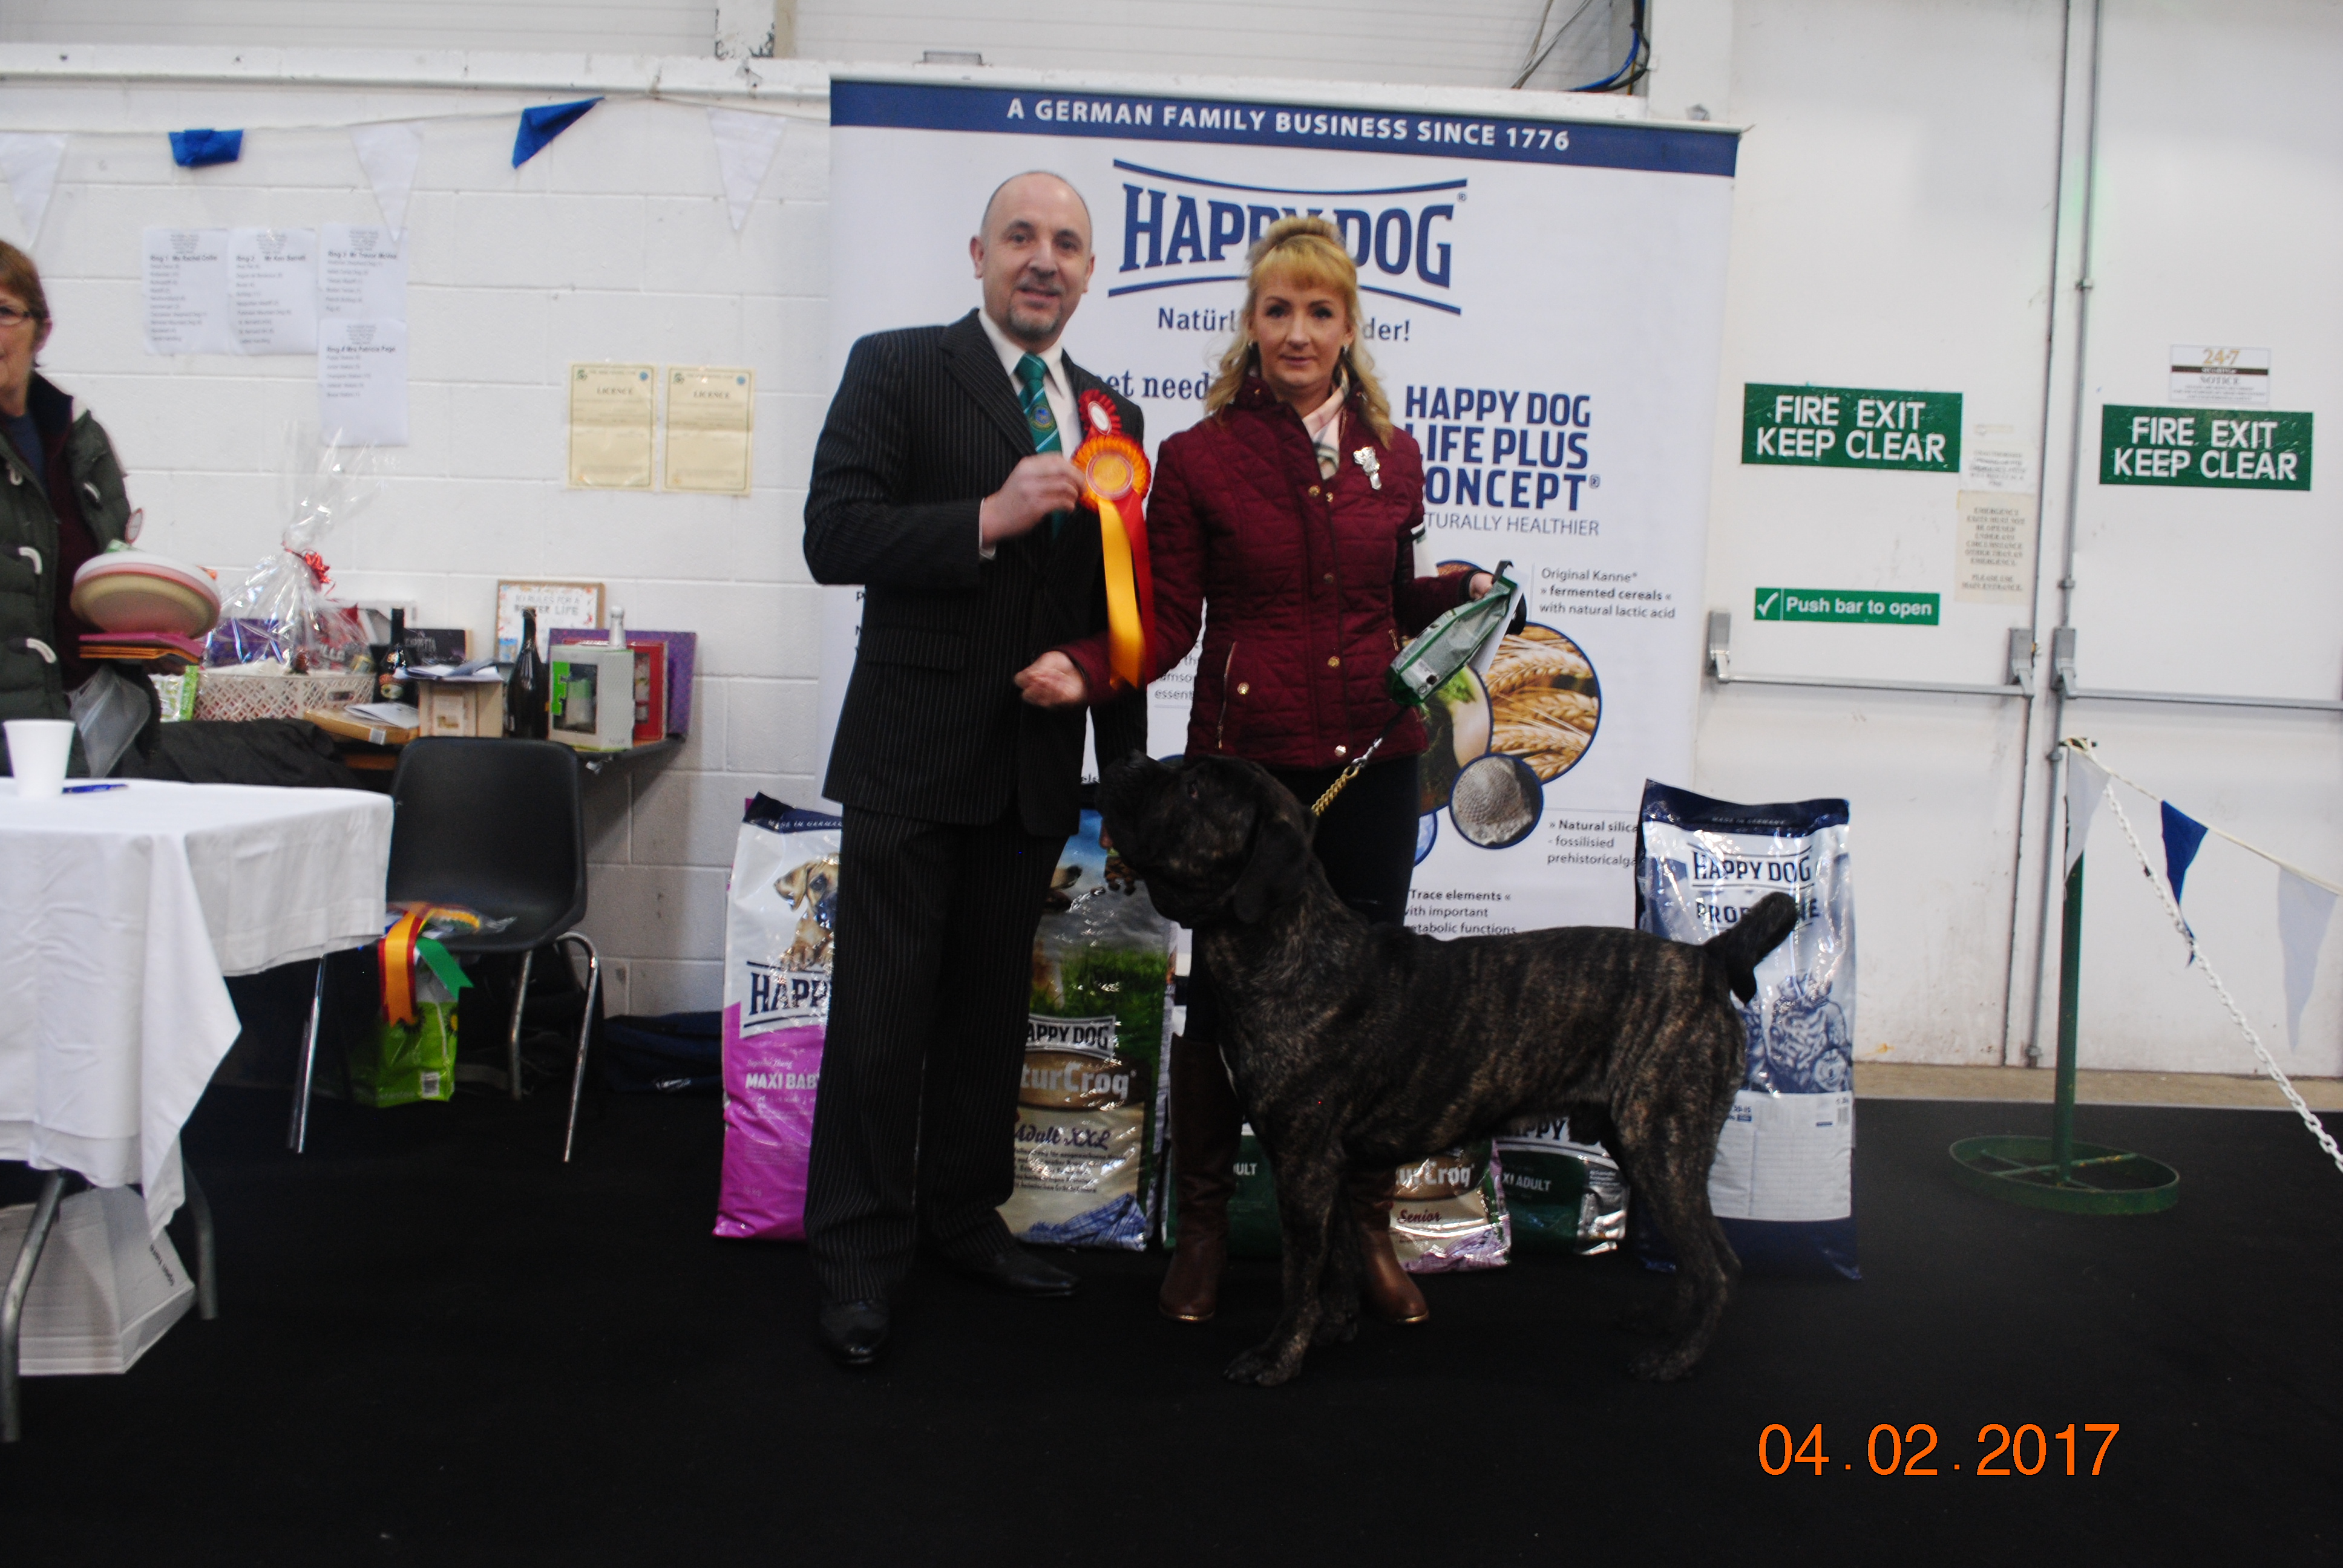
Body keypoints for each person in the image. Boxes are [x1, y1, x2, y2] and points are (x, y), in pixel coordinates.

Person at [1021, 217, 1495, 1326]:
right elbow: (1169, 620)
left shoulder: (1394, 453)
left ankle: (1365, 1232)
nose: (1298, 332)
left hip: (1377, 760)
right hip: (1247, 783)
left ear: (1349, 329)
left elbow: (1389, 598)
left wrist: (1457, 593)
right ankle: (1202, 1232)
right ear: (1251, 323)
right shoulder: (1199, 458)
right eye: (1278, 310)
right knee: (1224, 1004)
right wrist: (1087, 664)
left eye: (1320, 312)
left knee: (1374, 1004)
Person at [799, 171, 1147, 1368]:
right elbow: (832, 534)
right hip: (910, 757)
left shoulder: (1108, 416)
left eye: (1067, 243)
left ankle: (962, 1220)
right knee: (881, 1023)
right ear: (979, 253)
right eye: (1020, 237)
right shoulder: (897, 367)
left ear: (1089, 272)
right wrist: (985, 517)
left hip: (1032, 770)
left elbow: (1120, 608)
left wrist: (1119, 751)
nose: (1042, 259)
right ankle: (855, 1258)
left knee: (991, 1020)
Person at [0, 240, 135, 767]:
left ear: (42, 331)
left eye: (5, 312)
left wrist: (152, 634)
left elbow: (108, 570)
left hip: (87, 717)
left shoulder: (80, 437)